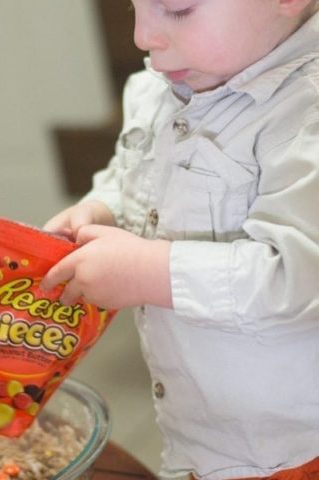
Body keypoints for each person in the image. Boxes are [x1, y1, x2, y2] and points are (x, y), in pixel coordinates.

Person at [40, 0, 319, 478]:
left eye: (176, 9)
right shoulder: (159, 89)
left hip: (292, 451)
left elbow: (298, 275)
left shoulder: (305, 114)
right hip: (201, 444)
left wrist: (150, 272)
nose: (143, 37)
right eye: (135, 6)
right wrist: (99, 208)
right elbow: (132, 177)